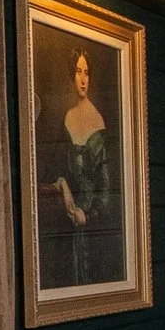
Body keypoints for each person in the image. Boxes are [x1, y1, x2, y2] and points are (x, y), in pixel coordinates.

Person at [45, 48, 114, 285]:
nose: (83, 79)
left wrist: (88, 215)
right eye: (78, 72)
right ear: (71, 75)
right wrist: (63, 184)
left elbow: (106, 193)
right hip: (68, 221)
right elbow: (55, 167)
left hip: (94, 229)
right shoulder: (66, 117)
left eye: (87, 73)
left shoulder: (98, 121)